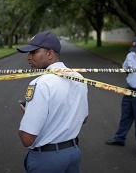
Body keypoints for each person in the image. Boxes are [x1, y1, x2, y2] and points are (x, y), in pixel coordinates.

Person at [17, 31, 89, 173]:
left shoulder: (40, 83)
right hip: (72, 154)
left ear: (50, 54)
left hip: (47, 160)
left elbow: (27, 139)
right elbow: (84, 118)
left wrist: (28, 115)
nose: (28, 57)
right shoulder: (78, 77)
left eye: (34, 52)